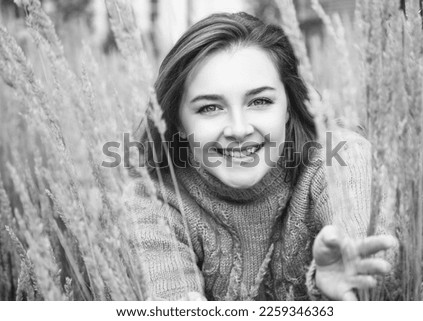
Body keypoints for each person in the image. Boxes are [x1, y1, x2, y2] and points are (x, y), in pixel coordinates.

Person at [124, 12, 396, 301]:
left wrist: (338, 291)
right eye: (210, 108)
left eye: (260, 101)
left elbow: (362, 243)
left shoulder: (338, 155)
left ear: (289, 106)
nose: (239, 130)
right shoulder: (154, 194)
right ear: (176, 122)